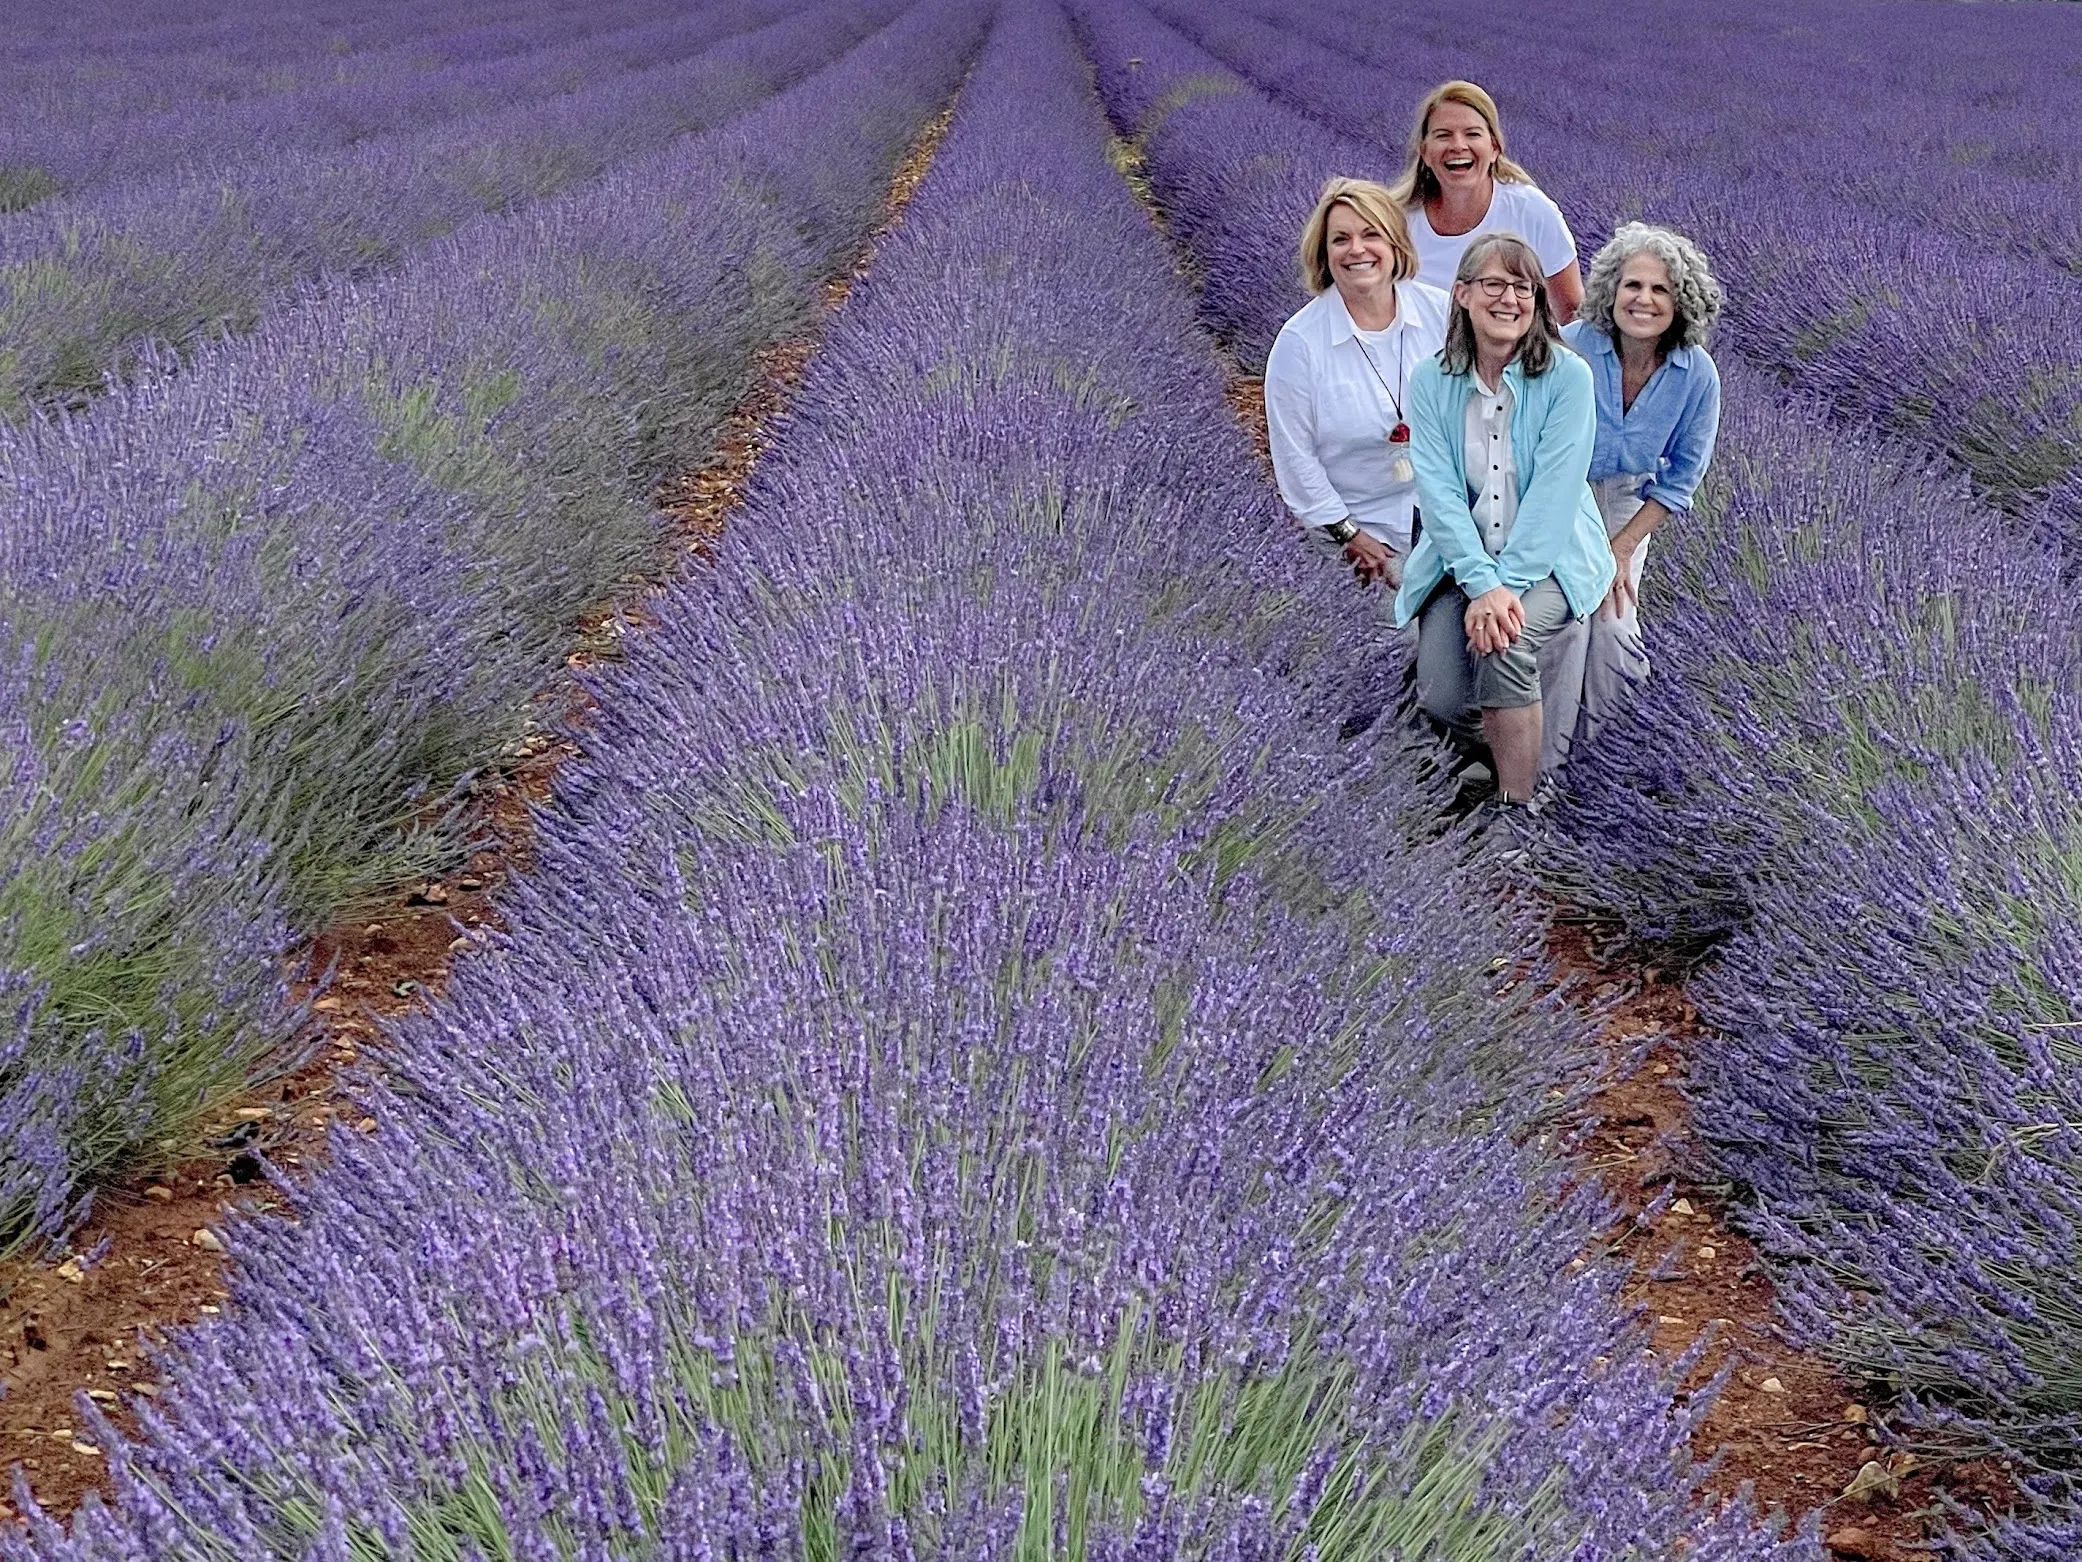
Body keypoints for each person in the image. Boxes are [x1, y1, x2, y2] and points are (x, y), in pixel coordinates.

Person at [1394, 233, 1612, 809]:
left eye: (1523, 288)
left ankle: (1519, 809)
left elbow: (1554, 497)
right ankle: (1489, 758)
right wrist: (1480, 583)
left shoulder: (1568, 377)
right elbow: (1438, 494)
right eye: (1494, 284)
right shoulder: (1430, 379)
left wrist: (1505, 589)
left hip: (1549, 560)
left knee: (1504, 646)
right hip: (1461, 562)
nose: (1509, 299)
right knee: (1441, 697)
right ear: (1462, 294)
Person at [1545, 223, 1723, 757]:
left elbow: (1681, 479)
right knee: (1568, 632)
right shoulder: (1570, 349)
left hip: (1627, 509)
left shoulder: (1697, 375)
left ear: (1681, 303)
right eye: (1632, 286)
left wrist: (1619, 550)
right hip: (1560, 498)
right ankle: (1540, 773)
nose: (1644, 299)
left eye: (1660, 290)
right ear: (1610, 291)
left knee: (1616, 640)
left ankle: (1595, 767)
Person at [1265, 177, 1451, 589]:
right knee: (1398, 643)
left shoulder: (1441, 314)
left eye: (1372, 235)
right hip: (1359, 529)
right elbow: (1296, 460)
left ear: (1395, 246)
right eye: (1340, 240)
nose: (1357, 250)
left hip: (1449, 522)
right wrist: (1349, 535)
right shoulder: (1299, 345)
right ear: (1324, 253)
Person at [1387, 81, 1584, 323]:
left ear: (1494, 148)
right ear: (1425, 152)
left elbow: (1572, 313)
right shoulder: (1396, 222)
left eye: (1472, 134)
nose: (1458, 146)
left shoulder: (1531, 211)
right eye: (1443, 135)